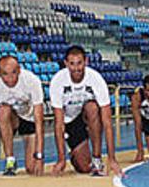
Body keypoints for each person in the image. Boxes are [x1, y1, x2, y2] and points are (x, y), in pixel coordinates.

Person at [49, 46, 123, 177]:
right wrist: (61, 160)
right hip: (69, 121)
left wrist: (112, 159)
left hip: (86, 115)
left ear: (86, 61)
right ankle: (73, 151)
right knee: (83, 167)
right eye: (72, 64)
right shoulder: (58, 81)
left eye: (79, 63)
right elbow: (59, 124)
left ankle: (97, 159)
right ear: (66, 63)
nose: (76, 68)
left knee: (92, 107)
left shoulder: (96, 79)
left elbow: (107, 121)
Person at [0, 56, 45, 177]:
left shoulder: (32, 81)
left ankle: (29, 144)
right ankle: (10, 160)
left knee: (32, 169)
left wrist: (39, 155)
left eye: (14, 73)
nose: (10, 78)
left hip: (29, 118)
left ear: (19, 70)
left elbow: (39, 120)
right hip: (11, 118)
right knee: (3, 109)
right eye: (5, 74)